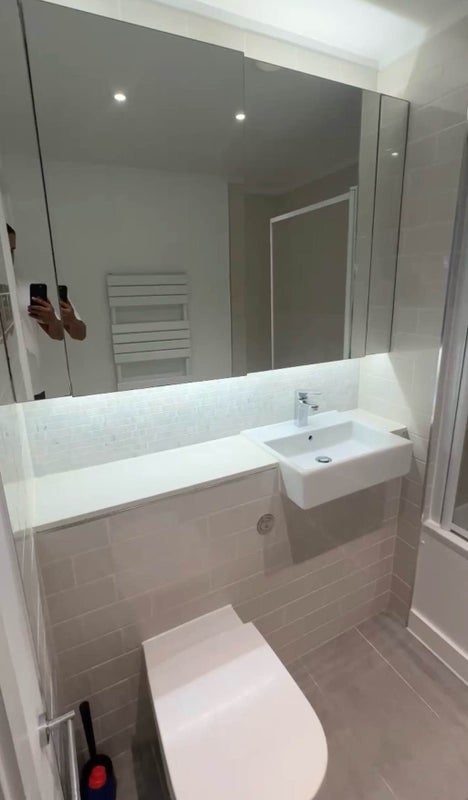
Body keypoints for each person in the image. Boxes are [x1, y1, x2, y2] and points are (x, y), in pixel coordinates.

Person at [7, 222, 63, 399]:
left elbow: (58, 335)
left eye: (12, 250)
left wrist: (51, 319)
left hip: (31, 385)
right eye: (4, 250)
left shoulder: (26, 290)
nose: (10, 256)